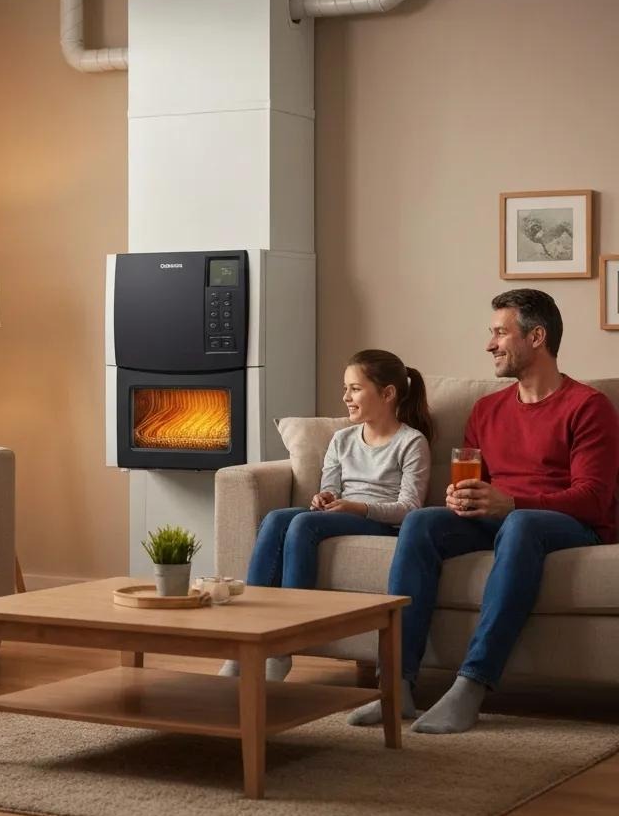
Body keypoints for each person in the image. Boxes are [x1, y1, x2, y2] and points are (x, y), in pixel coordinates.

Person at [350, 289, 619, 733]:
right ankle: (396, 687)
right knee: (421, 521)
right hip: (503, 518)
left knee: (520, 524)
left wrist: (510, 503)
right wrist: (464, 497)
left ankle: (471, 685)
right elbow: (477, 482)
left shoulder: (588, 407)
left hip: (566, 525)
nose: (490, 344)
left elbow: (593, 498)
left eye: (500, 333)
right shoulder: (488, 409)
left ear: (537, 337)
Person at [220, 350, 433, 681]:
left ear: (388, 393)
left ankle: (282, 647)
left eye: (355, 389)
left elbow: (409, 509)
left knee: (303, 523)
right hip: (342, 513)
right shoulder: (342, 439)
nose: (345, 397)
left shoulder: (411, 442)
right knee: (277, 519)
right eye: (345, 388)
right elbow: (329, 487)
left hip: (380, 522)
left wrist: (357, 507)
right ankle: (243, 638)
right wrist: (326, 498)